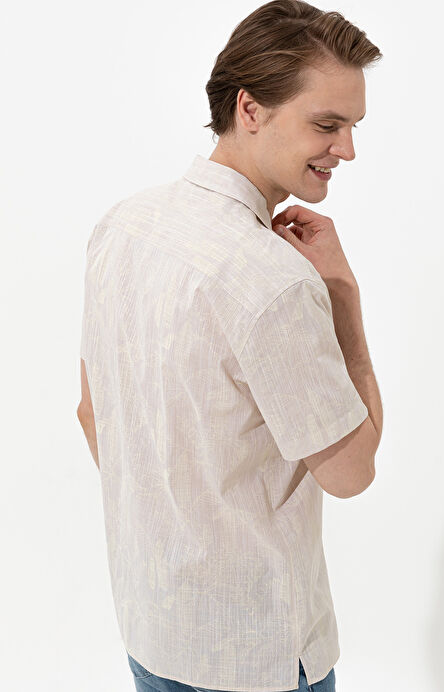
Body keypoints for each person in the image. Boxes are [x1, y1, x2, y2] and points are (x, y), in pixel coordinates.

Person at [76, 1, 384, 691]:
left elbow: (92, 413)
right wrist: (342, 296)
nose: (347, 149)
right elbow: (351, 472)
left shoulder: (123, 226)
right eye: (327, 125)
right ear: (250, 108)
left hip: (151, 628)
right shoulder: (274, 282)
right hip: (255, 655)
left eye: (353, 127)